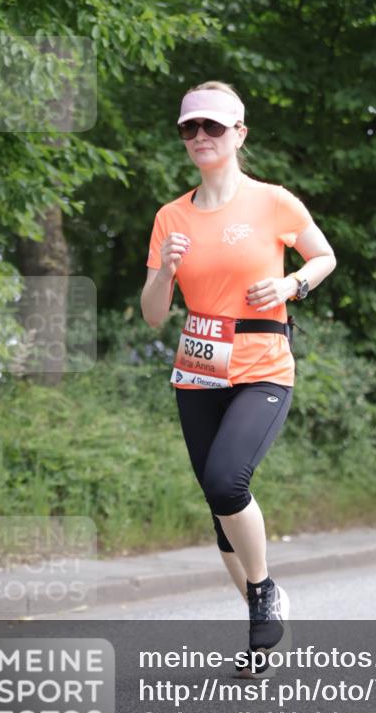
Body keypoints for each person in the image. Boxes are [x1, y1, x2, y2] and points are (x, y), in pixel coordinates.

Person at [141, 80, 336, 677]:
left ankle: (263, 592)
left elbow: (323, 256)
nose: (199, 137)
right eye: (188, 128)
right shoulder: (170, 217)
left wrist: (290, 284)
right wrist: (165, 272)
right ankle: (262, 617)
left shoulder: (274, 202)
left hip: (263, 364)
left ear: (238, 134)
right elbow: (153, 313)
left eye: (212, 127)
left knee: (229, 481)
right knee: (217, 504)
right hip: (198, 367)